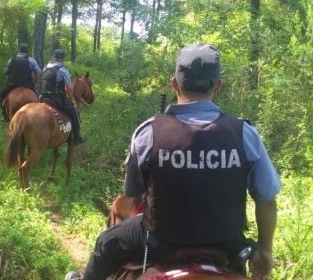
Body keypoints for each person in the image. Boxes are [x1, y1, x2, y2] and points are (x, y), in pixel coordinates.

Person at [66, 44, 281, 280]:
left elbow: (131, 194)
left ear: (174, 84)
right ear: (218, 86)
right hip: (228, 247)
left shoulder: (148, 132)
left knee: (106, 243)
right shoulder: (244, 133)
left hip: (160, 243)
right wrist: (265, 250)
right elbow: (267, 201)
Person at [40, 48, 85, 144]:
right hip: (56, 98)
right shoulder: (62, 69)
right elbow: (69, 88)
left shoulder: (45, 67)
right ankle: (76, 137)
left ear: (53, 57)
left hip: (43, 97)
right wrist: (72, 100)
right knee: (73, 112)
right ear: (63, 58)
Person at [0, 43, 42, 122]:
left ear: (19, 50)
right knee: (38, 97)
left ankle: (4, 115)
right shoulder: (31, 60)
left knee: (2, 95)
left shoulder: (11, 60)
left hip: (12, 84)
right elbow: (39, 72)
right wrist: (35, 82)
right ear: (27, 51)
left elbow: (5, 71)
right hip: (27, 84)